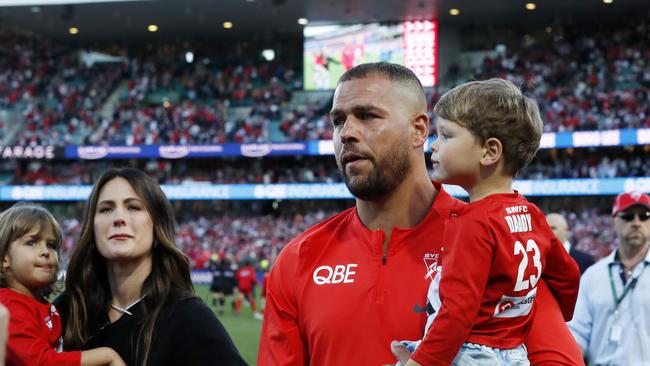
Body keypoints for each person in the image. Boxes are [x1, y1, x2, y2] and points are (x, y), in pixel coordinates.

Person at [258, 62, 584, 365]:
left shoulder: (501, 237)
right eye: (338, 120)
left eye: (368, 116)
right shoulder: (298, 260)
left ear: (419, 130)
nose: (346, 133)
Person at [399, 78, 581, 366]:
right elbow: (568, 276)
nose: (433, 145)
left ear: (489, 152)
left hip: (472, 351)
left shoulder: (474, 222)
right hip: (516, 352)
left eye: (446, 135)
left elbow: (457, 312)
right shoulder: (532, 214)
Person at [56, 168, 246, 365]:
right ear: (92, 228)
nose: (119, 218)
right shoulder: (68, 310)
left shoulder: (188, 318)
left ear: (157, 227)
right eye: (106, 209)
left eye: (134, 207)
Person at [0, 202, 125, 365]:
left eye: (51, 245)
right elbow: (41, 361)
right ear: (4, 258)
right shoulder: (8, 307)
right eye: (32, 242)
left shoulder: (37, 303)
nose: (46, 252)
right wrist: (107, 355)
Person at [568, 191, 650, 365]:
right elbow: (577, 334)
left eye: (644, 216)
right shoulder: (593, 276)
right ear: (614, 221)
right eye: (628, 216)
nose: (637, 222)